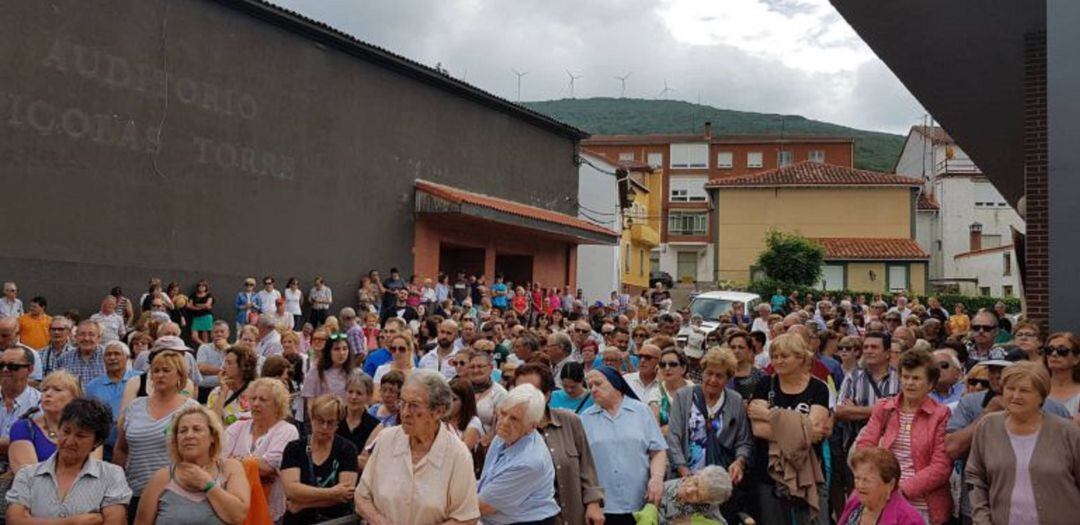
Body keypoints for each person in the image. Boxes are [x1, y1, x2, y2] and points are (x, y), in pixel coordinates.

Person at [355, 369, 481, 525]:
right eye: (402, 403)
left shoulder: (458, 455)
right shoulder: (386, 439)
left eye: (414, 406)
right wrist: (379, 521)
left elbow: (466, 518)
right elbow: (362, 496)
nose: (405, 412)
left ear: (438, 411)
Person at [966, 361, 1080, 524]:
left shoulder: (1068, 432)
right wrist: (982, 519)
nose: (1015, 396)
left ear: (1042, 395)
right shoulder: (988, 426)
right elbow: (975, 477)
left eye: (1025, 390)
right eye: (1010, 389)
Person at [855, 348, 952, 524]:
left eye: (916, 378)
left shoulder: (941, 414)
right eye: (905, 377)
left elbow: (941, 467)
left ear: (930, 384)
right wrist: (881, 484)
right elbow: (864, 447)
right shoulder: (884, 407)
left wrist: (901, 489)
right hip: (881, 497)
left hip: (923, 505)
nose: (909, 383)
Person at [747, 333, 831, 524]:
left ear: (801, 357)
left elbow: (815, 432)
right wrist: (800, 428)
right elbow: (759, 430)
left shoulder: (818, 388)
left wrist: (769, 414)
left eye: (784, 356)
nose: (778, 361)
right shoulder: (764, 384)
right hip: (769, 473)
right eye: (775, 356)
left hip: (807, 472)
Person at [6, 398, 131, 525]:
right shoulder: (27, 475)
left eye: (80, 436)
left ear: (97, 442)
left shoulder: (111, 475)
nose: (70, 441)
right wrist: (75, 522)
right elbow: (14, 521)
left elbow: (115, 522)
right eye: (66, 431)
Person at [665, 346, 753, 522]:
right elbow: (673, 437)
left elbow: (744, 441)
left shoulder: (735, 400)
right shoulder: (684, 396)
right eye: (709, 373)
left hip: (717, 485)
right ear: (702, 373)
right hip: (686, 481)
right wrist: (684, 472)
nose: (712, 379)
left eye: (719, 376)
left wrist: (739, 461)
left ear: (728, 378)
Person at [512, 362, 604, 525]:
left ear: (547, 395)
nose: (523, 398)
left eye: (531, 392)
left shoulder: (570, 421)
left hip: (571, 515)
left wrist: (593, 504)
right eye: (519, 392)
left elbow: (586, 467)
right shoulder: (508, 430)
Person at [113, 350, 200, 513]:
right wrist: (116, 485)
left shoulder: (191, 409)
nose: (160, 375)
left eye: (166, 370)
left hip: (176, 494)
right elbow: (121, 449)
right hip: (135, 492)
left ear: (180, 375)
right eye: (156, 371)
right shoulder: (134, 407)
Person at [135, 404, 250, 525]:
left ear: (212, 436)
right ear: (176, 439)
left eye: (197, 429)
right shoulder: (162, 477)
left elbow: (238, 516)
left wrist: (207, 484)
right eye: (183, 431)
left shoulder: (229, 468)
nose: (189, 435)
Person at [580, 366, 667, 525]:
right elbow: (581, 464)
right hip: (602, 507)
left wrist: (657, 479)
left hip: (639, 501)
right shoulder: (584, 418)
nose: (593, 389)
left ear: (616, 384)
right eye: (589, 385)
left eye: (598, 383)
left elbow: (658, 450)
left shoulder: (641, 411)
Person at [476, 383, 560, 525]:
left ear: (532, 426)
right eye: (503, 413)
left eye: (514, 419)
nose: (504, 422)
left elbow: (483, 506)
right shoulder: (504, 436)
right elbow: (486, 481)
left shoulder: (529, 462)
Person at [222, 377, 299, 523]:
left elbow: (269, 466)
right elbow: (219, 461)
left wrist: (235, 462)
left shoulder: (287, 430)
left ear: (277, 405)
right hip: (234, 509)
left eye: (263, 400)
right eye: (253, 399)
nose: (256, 403)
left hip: (269, 511)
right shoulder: (238, 427)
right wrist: (252, 465)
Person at [281, 394, 357, 525]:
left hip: (335, 521)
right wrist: (332, 492)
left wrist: (303, 504)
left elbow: (345, 495)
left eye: (330, 423)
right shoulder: (294, 448)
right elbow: (291, 490)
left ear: (338, 424)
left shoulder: (347, 449)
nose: (324, 427)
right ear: (312, 418)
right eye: (320, 421)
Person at [8, 370, 84, 473]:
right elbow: (27, 476)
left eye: (57, 389)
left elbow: (93, 474)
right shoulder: (24, 428)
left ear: (75, 398)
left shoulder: (88, 429)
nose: (47, 394)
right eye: (44, 389)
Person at [836, 447, 925, 525]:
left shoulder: (909, 519)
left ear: (890, 485)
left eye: (867, 480)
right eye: (857, 478)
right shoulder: (854, 501)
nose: (860, 485)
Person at [85, 341, 139, 460]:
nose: (112, 358)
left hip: (135, 445)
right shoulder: (93, 386)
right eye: (108, 355)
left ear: (127, 358)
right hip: (105, 447)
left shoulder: (139, 379)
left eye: (117, 354)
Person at [0, 346, 41, 458]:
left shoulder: (40, 403)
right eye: (1, 365)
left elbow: (41, 442)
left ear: (30, 369)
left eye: (13, 366)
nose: (5, 370)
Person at [207, 345, 258, 426]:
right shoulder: (216, 393)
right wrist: (223, 392)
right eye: (225, 362)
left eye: (229, 363)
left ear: (243, 366)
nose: (223, 367)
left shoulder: (256, 393)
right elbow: (212, 423)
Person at [302, 334, 354, 412]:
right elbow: (310, 401)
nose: (341, 353)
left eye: (345, 349)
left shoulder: (354, 373)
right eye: (336, 349)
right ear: (329, 351)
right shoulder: (316, 371)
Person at [337, 370, 380, 458]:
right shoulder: (335, 418)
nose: (353, 397)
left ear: (368, 397)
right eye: (350, 392)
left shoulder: (375, 426)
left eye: (359, 393)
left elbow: (365, 459)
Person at [650, 347, 693, 429]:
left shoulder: (695, 391)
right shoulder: (655, 393)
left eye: (672, 364)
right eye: (663, 365)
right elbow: (655, 428)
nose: (667, 368)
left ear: (683, 368)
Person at [57, 319, 106, 387]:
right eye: (82, 334)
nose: (86, 338)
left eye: (91, 335)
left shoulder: (108, 356)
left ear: (99, 338)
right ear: (75, 337)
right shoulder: (64, 359)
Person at [1043, 331, 1080, 417]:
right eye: (1049, 350)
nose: (1054, 354)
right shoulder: (1036, 388)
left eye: (1062, 351)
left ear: (1076, 359)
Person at [196, 321, 231, 403]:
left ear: (228, 333)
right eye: (216, 332)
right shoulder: (204, 348)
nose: (219, 334)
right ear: (211, 334)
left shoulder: (233, 350)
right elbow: (201, 368)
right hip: (205, 390)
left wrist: (225, 349)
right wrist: (223, 371)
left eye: (222, 331)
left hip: (226, 390)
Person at [445, 377, 483, 451]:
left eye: (454, 399)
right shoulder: (441, 419)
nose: (448, 403)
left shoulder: (474, 422)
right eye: (447, 398)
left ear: (465, 402)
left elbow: (464, 451)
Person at [727, 331, 767, 400]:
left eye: (741, 347)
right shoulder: (722, 373)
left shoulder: (760, 376)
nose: (736, 351)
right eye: (733, 347)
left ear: (750, 350)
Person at [187, 280, 215, 347]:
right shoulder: (193, 295)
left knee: (205, 336)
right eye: (199, 286)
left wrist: (197, 305)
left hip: (206, 316)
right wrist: (201, 307)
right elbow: (189, 306)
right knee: (194, 336)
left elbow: (208, 305)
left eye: (203, 286)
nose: (201, 287)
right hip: (196, 317)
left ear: (206, 287)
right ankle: (207, 346)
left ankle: (206, 349)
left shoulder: (209, 295)